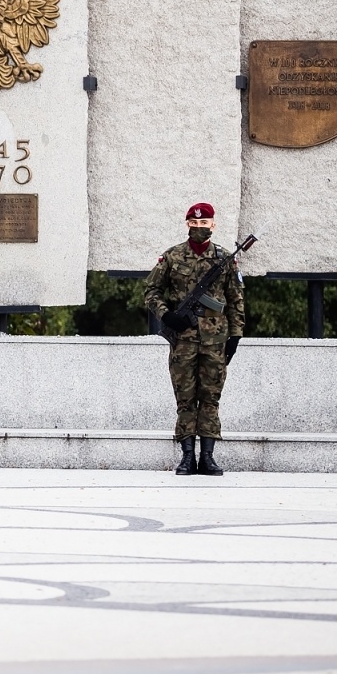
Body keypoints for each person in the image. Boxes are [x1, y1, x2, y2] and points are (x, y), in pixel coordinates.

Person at [143, 203, 245, 476]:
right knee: (186, 400)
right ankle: (187, 458)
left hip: (215, 340)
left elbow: (235, 301)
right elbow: (151, 291)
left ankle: (208, 458)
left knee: (210, 399)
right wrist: (167, 317)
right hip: (183, 340)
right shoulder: (173, 257)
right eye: (195, 223)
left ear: (213, 225)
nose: (199, 228)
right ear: (187, 224)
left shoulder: (224, 258)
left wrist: (235, 335)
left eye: (205, 224)